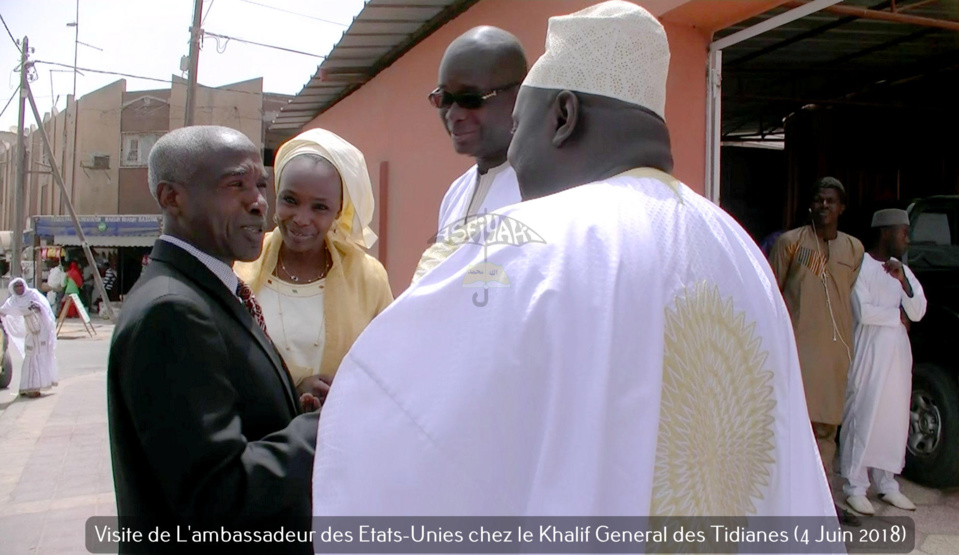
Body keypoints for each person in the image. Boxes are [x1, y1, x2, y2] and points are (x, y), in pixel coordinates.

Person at [311, 1, 836, 520]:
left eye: (519, 126)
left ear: (563, 116)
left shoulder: (533, 240)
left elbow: (419, 423)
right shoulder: (740, 248)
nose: (514, 153)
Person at [108, 126, 318, 553]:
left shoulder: (211, 292)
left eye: (261, 185)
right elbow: (217, 495)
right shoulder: (172, 312)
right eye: (235, 185)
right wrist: (325, 429)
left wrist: (294, 404)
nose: (258, 202)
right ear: (172, 198)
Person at [235, 128, 392, 403]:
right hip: (256, 439)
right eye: (290, 200)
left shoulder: (368, 278)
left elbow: (389, 365)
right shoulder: (240, 268)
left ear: (339, 210)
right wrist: (289, 394)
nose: (301, 219)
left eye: (319, 207)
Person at [769, 177, 864, 522]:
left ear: (842, 208)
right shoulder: (790, 243)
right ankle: (790, 504)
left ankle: (824, 505)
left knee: (827, 432)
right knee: (796, 428)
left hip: (834, 355)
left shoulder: (854, 249)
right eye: (819, 200)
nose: (824, 206)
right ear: (810, 204)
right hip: (798, 353)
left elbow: (844, 291)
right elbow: (773, 293)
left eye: (831, 201)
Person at [841, 208, 926, 515]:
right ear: (887, 233)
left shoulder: (901, 270)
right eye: (904, 233)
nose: (908, 239)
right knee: (864, 414)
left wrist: (903, 282)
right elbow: (864, 312)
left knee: (892, 418)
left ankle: (887, 483)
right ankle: (854, 485)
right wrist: (896, 317)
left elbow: (918, 311)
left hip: (897, 357)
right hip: (868, 352)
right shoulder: (860, 266)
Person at [431, 26, 527, 232]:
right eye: (445, 98)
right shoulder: (455, 194)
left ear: (518, 97)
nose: (453, 115)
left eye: (470, 99)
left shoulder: (544, 191)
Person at [0, 278, 58, 398]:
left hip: (41, 330)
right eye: (16, 287)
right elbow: (5, 310)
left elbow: (45, 310)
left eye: (21, 286)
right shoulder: (14, 301)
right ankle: (27, 387)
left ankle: (38, 387)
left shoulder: (34, 295)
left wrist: (36, 308)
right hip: (30, 332)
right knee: (29, 357)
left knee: (40, 357)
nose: (19, 289)